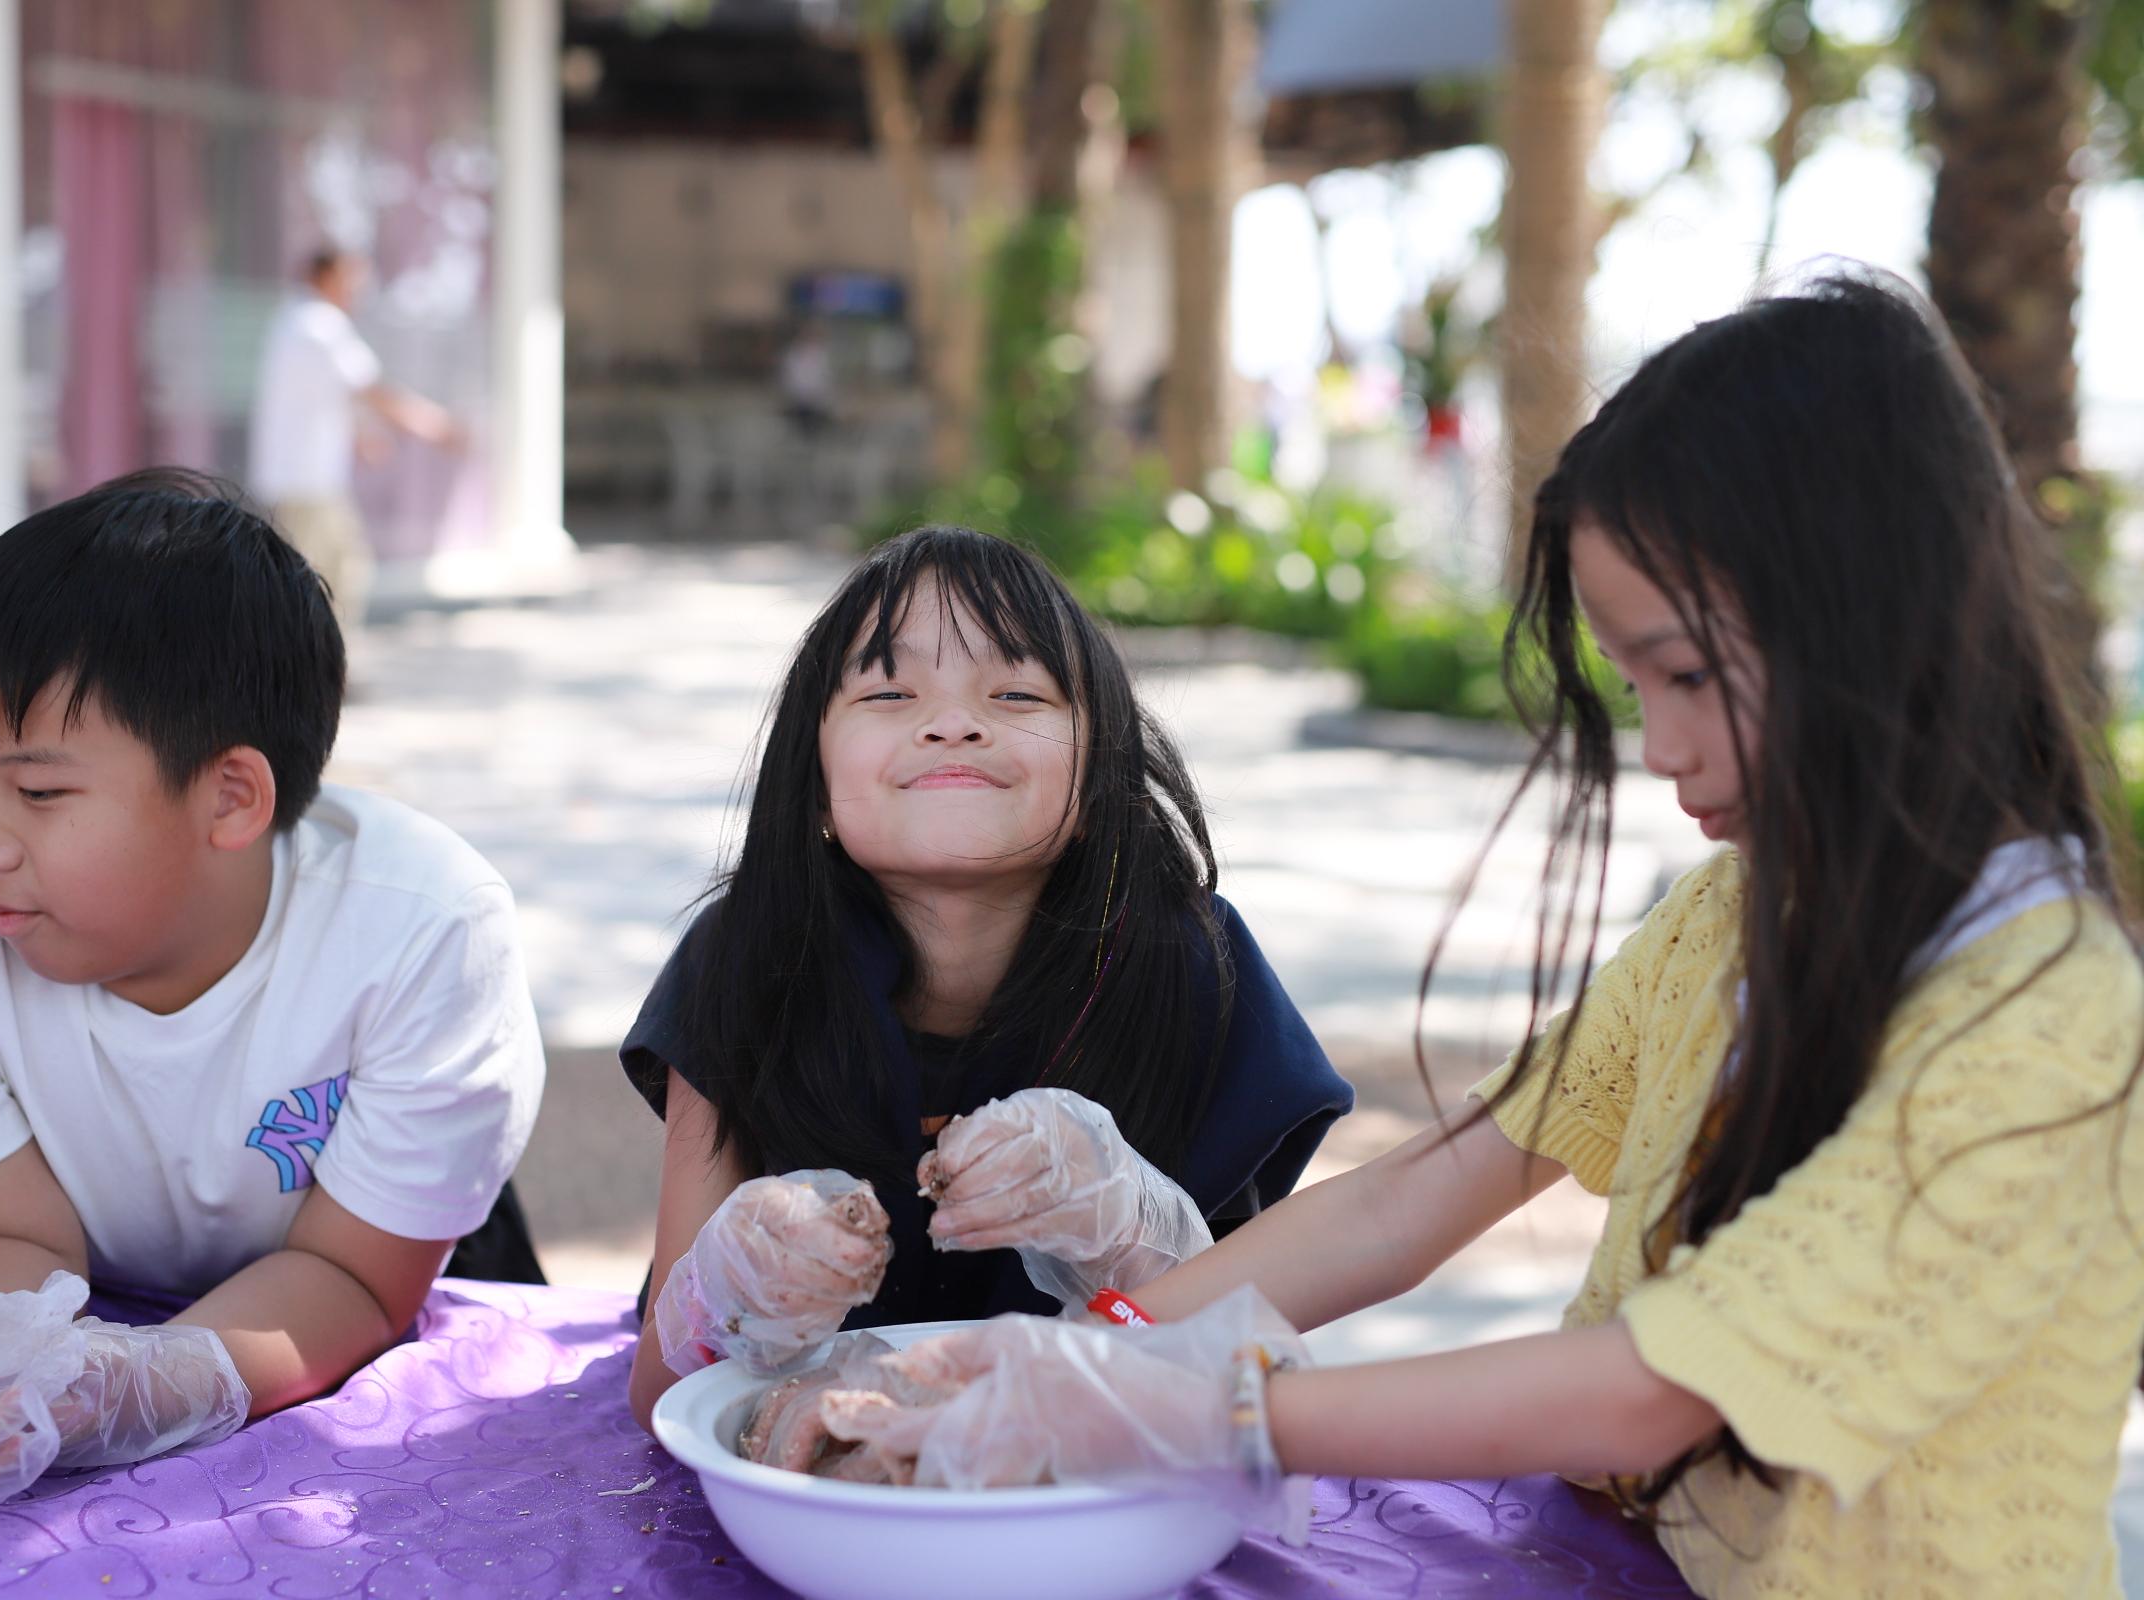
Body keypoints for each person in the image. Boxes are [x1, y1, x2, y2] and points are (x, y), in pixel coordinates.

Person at [834, 277, 2144, 1596]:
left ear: (1878, 612)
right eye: (1632, 686)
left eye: (1688, 675)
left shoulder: (2046, 1023)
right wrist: (1097, 1346)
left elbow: (1654, 1391)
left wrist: (1194, 1409)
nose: (1660, 748)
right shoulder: (1727, 920)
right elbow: (1415, 1195)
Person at [0, 470, 547, 1510]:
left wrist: (137, 1385)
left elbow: (353, 1278)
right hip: (92, 1292)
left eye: (39, 791)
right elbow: (0, 1235)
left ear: (232, 796)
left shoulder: (425, 932)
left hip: (372, 1288)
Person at [621, 525, 1353, 1428]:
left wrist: (1133, 1229)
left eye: (1016, 693)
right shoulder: (744, 957)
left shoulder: (1190, 960)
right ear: (812, 779)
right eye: (890, 692)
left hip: (1095, 1454)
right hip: (811, 1457)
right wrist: (727, 1291)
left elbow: (1239, 1356)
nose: (952, 723)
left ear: (1098, 775)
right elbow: (660, 1391)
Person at [245, 245, 462, 634]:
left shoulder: (293, 320)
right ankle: (317, 660)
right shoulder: (319, 324)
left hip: (301, 480)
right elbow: (373, 391)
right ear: (327, 276)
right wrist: (437, 426)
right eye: (352, 279)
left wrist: (362, 434)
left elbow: (327, 392)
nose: (358, 290)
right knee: (329, 575)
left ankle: (320, 657)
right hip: (305, 483)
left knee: (325, 573)